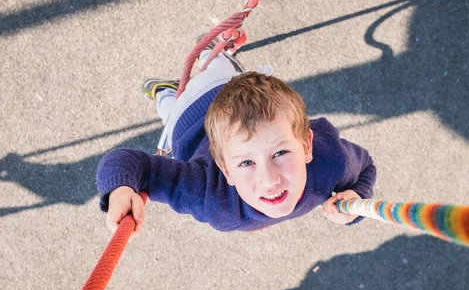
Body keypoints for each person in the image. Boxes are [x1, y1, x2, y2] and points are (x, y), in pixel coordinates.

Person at [96, 41, 376, 234]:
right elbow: (129, 162)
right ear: (225, 169)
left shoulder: (332, 161)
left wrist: (358, 200)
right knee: (172, 112)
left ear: (306, 145)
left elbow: (365, 168)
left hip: (226, 89)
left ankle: (197, 67)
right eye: (245, 163)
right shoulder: (206, 194)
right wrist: (121, 189)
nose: (269, 179)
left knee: (225, 72)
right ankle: (174, 87)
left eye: (280, 153)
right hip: (190, 116)